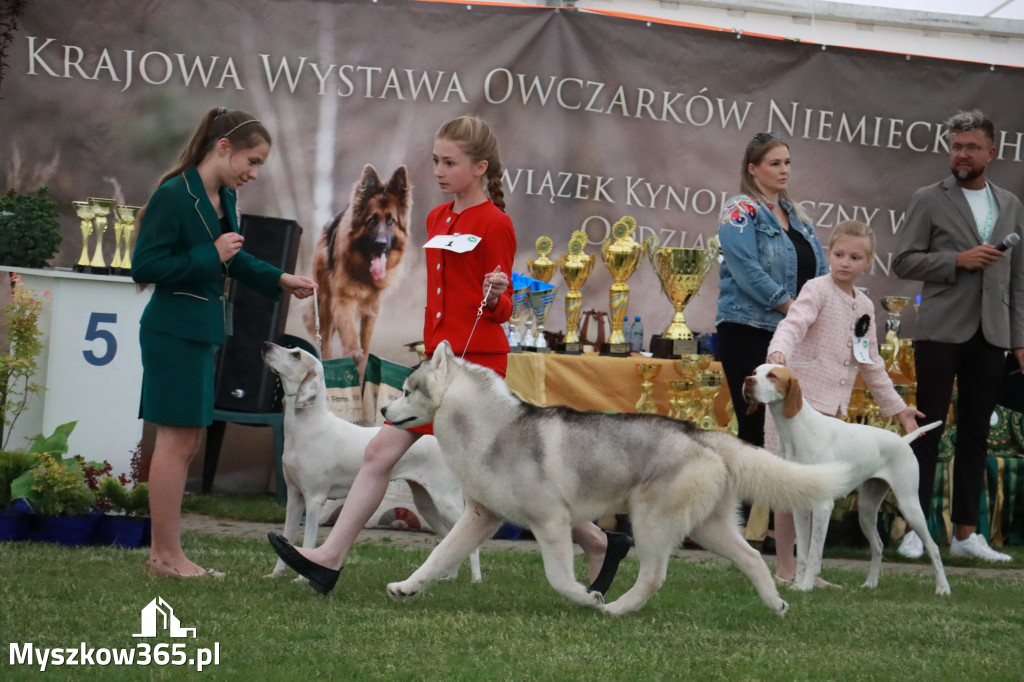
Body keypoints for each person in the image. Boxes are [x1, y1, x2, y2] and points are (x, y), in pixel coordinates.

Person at [268, 115, 631, 595]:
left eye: (449, 163)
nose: (438, 171)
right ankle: (329, 558)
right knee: (390, 454)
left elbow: (501, 312)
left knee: (494, 480)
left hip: (476, 368)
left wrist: (499, 292)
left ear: (480, 167)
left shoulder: (496, 224)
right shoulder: (438, 218)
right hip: (437, 366)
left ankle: (599, 542)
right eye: (436, 161)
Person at [132, 107, 317, 578]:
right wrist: (206, 254)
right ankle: (165, 557)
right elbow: (146, 267)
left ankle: (168, 555)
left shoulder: (224, 198)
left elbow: (233, 260)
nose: (254, 173)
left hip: (200, 330)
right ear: (223, 148)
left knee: (188, 440)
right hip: (171, 330)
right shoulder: (174, 195)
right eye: (251, 161)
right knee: (175, 444)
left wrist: (280, 279)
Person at [893, 110, 1023, 563]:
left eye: (970, 147)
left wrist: (1018, 339)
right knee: (929, 430)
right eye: (955, 147)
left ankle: (967, 534)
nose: (961, 154)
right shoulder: (929, 198)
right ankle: (916, 528)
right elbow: (904, 260)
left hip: (992, 333)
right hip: (940, 331)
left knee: (975, 434)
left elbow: (1018, 279)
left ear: (992, 151)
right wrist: (956, 260)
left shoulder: (1010, 204)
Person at [765, 220, 924, 585]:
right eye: (839, 254)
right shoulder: (816, 289)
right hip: (795, 404)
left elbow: (870, 362)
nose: (845, 263)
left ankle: (810, 569)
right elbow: (794, 323)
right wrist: (778, 353)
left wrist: (898, 409)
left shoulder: (865, 305)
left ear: (867, 261)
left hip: (831, 413)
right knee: (789, 487)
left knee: (816, 490)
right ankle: (786, 568)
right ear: (828, 254)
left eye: (855, 257)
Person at [714, 132, 829, 554]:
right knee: (753, 426)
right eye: (775, 163)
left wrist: (811, 310)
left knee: (786, 429)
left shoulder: (796, 215)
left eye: (787, 163)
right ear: (753, 169)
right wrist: (790, 306)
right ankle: (742, 528)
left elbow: (817, 268)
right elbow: (745, 270)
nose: (784, 171)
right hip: (748, 327)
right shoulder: (739, 211)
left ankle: (776, 529)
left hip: (787, 331)